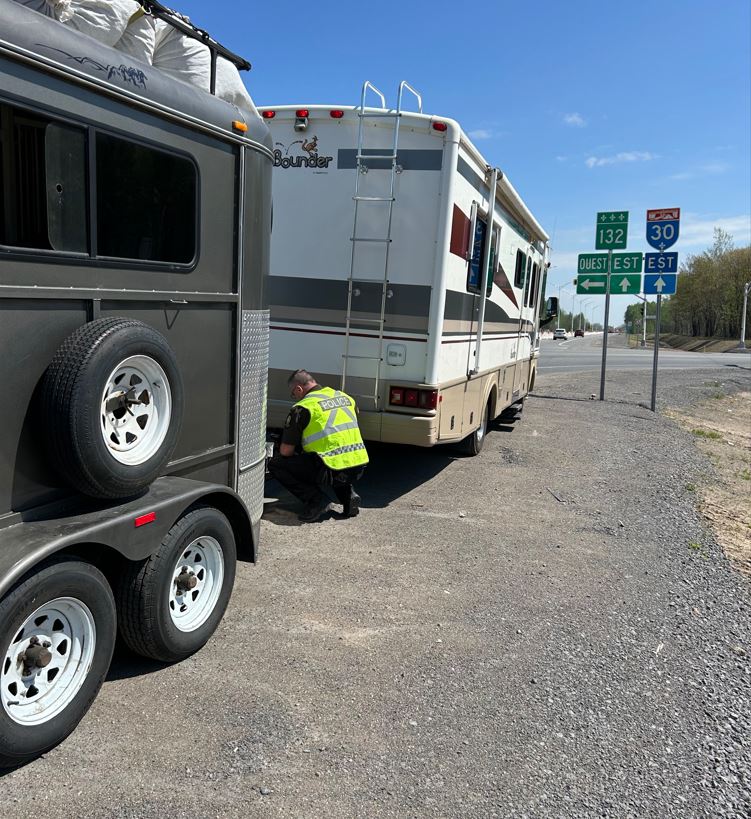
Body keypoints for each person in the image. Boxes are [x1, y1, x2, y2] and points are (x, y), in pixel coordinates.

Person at [268, 369, 369, 522]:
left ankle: (316, 500)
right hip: (358, 465)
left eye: (293, 394)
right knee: (333, 458)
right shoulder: (345, 397)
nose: (294, 398)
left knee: (277, 464)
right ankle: (349, 496)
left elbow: (286, 451)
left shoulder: (303, 408)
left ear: (299, 389)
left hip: (330, 469)